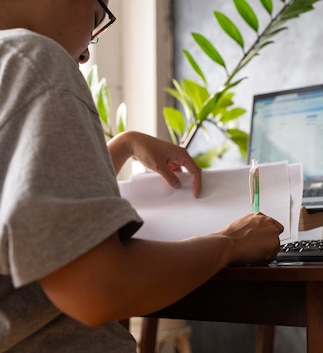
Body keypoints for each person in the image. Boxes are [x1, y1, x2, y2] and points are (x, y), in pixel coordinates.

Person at [0, 0, 284, 352]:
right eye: (97, 18)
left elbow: (23, 206)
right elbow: (97, 288)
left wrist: (123, 146)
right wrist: (230, 243)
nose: (87, 53)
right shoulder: (34, 60)